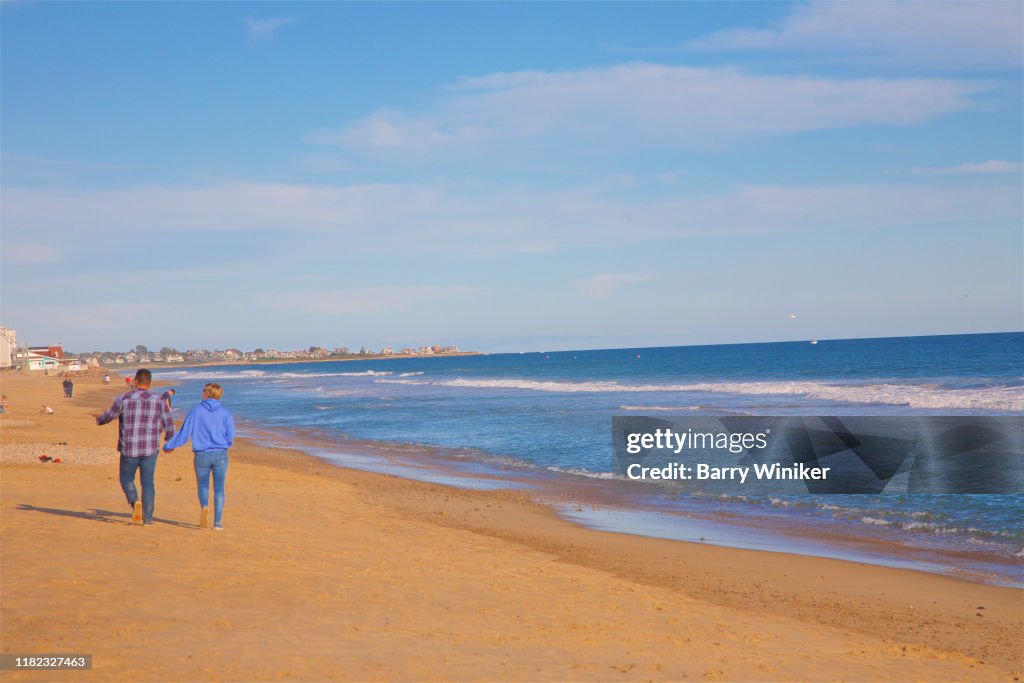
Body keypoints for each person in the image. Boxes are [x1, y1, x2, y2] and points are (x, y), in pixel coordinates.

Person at [96, 369, 175, 526]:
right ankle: (148, 519)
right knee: (148, 483)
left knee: (126, 478)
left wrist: (99, 420)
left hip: (129, 447)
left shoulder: (124, 398)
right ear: (149, 382)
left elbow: (108, 416)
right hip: (150, 448)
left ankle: (134, 501)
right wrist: (170, 440)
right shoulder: (159, 401)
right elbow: (169, 423)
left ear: (136, 381)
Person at [164, 383, 234, 530]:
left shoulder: (196, 411)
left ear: (207, 394)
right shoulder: (225, 413)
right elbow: (230, 437)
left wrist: (169, 446)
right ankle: (218, 523)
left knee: (203, 486)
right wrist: (224, 443)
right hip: (220, 453)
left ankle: (204, 507)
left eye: (203, 391)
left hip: (202, 454)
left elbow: (184, 433)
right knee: (219, 488)